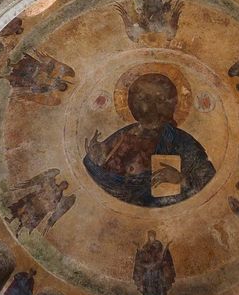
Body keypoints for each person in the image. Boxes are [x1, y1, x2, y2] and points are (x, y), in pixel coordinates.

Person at [84, 72, 215, 206]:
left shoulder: (183, 142)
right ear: (131, 102)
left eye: (159, 100)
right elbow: (98, 180)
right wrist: (94, 161)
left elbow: (209, 184)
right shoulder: (122, 135)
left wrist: (182, 180)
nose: (150, 105)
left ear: (171, 104)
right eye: (143, 98)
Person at [133, 231, 176, 295]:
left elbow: (160, 254)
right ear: (148, 237)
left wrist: (166, 246)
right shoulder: (146, 246)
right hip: (148, 268)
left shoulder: (158, 244)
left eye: (152, 235)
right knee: (147, 282)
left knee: (159, 281)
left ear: (155, 236)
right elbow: (143, 256)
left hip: (157, 266)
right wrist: (138, 248)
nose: (151, 237)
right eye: (149, 236)